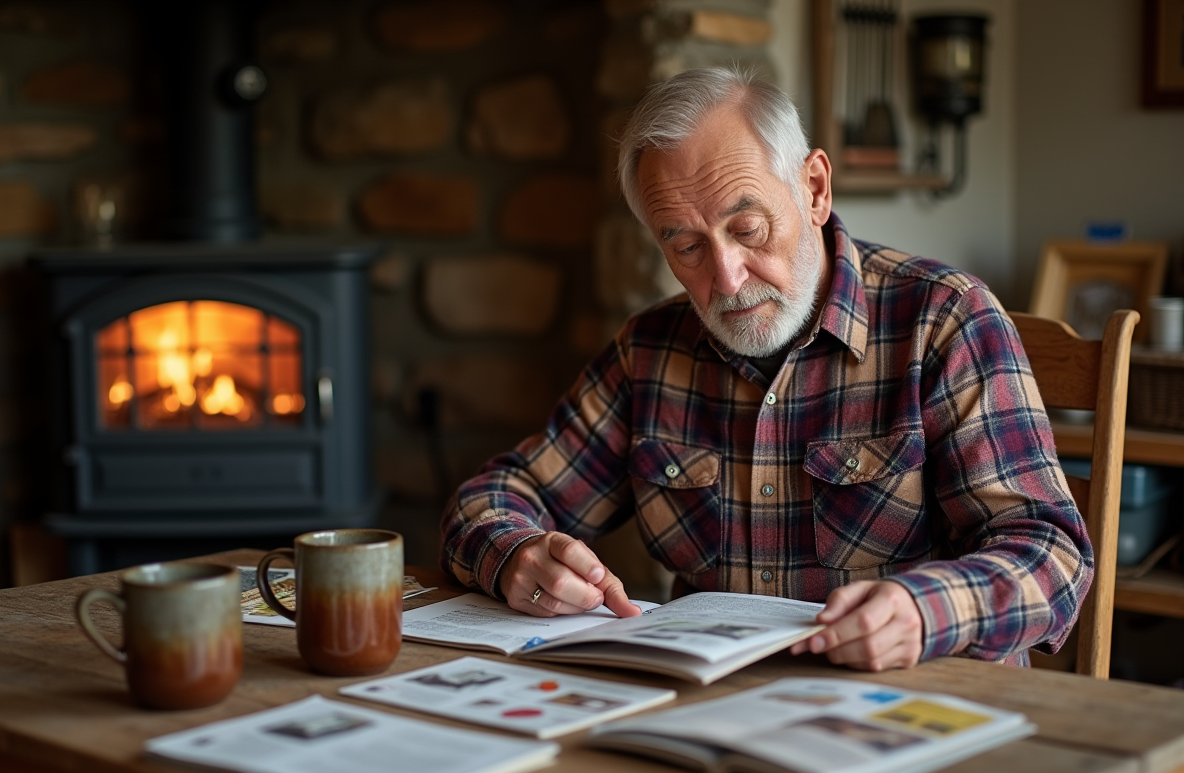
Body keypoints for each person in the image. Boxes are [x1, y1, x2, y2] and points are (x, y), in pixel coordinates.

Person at [440, 65, 1090, 672]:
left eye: (747, 229)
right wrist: (515, 555)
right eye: (686, 245)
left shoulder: (945, 319)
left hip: (915, 705)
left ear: (814, 188)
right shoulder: (651, 350)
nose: (726, 278)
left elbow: (1052, 554)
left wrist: (928, 610)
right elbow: (496, 498)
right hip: (711, 711)